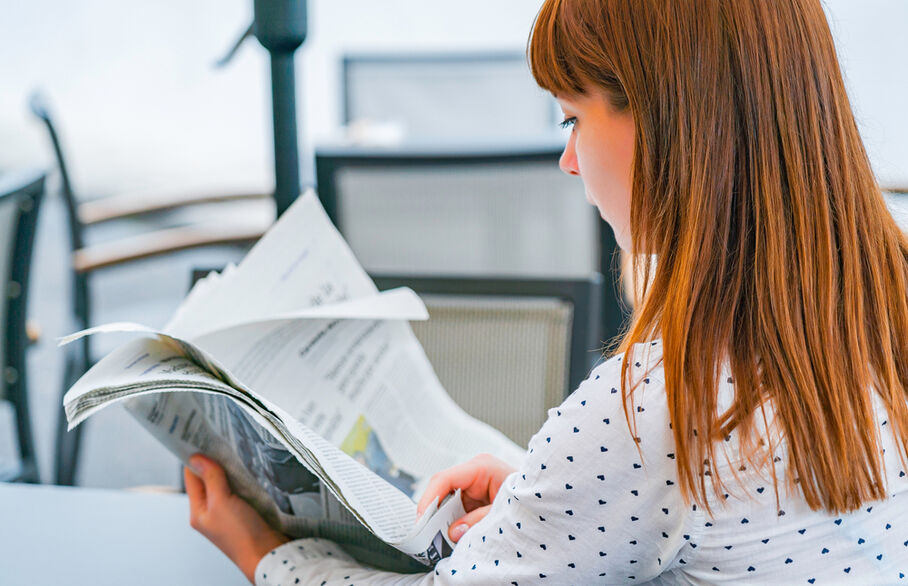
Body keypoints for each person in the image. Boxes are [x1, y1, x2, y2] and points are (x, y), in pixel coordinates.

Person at [184, 0, 908, 583]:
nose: (566, 159)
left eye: (572, 117)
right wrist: (550, 498)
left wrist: (260, 551)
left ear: (667, 120)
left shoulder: (663, 403)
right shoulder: (888, 302)